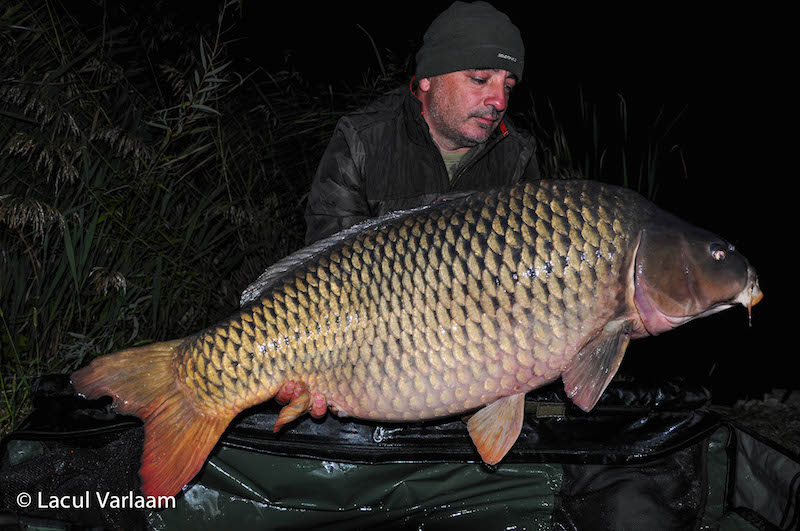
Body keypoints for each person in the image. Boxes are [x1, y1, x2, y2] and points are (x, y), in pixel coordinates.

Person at [304, 1, 540, 245]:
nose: (500, 101)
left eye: (508, 86)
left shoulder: (516, 153)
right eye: (480, 80)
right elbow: (326, 260)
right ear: (428, 78)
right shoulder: (361, 141)